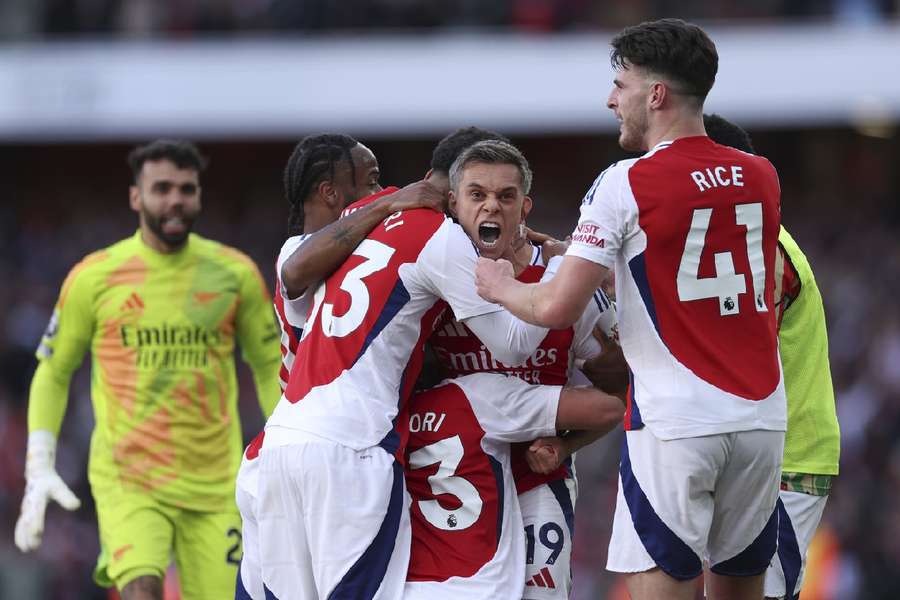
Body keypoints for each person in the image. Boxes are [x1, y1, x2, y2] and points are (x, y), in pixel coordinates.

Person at [475, 19, 786, 600]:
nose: (611, 99)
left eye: (621, 84)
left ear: (657, 95)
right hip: (761, 420)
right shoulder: (761, 175)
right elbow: (687, 278)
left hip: (677, 423)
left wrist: (496, 285)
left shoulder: (624, 182)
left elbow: (555, 306)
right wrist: (589, 256)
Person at [245, 138, 550, 600]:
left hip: (278, 443)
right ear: (451, 192)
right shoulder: (439, 234)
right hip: (351, 447)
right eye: (475, 194)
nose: (486, 211)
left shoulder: (352, 227)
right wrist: (550, 273)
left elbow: (295, 273)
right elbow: (512, 346)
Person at [14, 140, 282, 600]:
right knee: (142, 589)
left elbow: (268, 366)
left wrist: (283, 451)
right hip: (130, 480)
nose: (175, 199)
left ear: (198, 196)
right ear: (137, 197)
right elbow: (54, 370)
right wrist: (39, 462)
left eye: (186, 188)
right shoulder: (94, 277)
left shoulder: (234, 274)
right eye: (161, 188)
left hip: (215, 485)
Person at [236, 132, 445, 599]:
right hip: (337, 448)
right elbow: (295, 272)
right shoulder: (298, 251)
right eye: (371, 180)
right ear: (330, 193)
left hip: (287, 450)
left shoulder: (355, 254)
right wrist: (390, 205)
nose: (382, 190)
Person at [425, 138, 621, 599]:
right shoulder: (433, 281)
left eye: (506, 196)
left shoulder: (569, 284)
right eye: (477, 195)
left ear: (524, 206)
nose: (491, 206)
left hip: (539, 481)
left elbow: (621, 394)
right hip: (454, 482)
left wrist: (566, 445)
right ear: (454, 203)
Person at [702, 113, 841, 600]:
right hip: (741, 456)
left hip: (785, 463)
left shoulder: (765, 248)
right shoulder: (731, 242)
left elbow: (736, 348)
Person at [403, 373, 623, 600]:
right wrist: (566, 445)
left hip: (406, 590)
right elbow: (611, 407)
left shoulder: (382, 421)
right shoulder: (475, 395)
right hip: (482, 589)